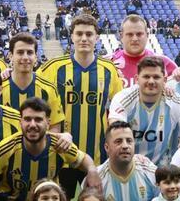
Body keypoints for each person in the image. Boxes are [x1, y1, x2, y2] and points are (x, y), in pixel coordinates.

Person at [37, 14, 124, 185]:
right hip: (61, 152)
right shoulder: (53, 67)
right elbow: (31, 86)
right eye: (79, 34)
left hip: (97, 154)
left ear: (97, 38)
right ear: (72, 37)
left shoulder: (108, 70)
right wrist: (9, 72)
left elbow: (119, 106)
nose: (84, 38)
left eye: (89, 34)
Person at [108, 56, 180, 166]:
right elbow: (115, 129)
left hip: (159, 173)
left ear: (164, 80)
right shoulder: (123, 97)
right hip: (126, 165)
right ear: (137, 79)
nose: (151, 81)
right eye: (146, 76)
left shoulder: (173, 100)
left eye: (156, 77)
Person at [0, 33, 65, 131]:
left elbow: (54, 126)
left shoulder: (48, 89)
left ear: (35, 57)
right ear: (10, 56)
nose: (25, 57)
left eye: (29, 52)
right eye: (20, 52)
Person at [109, 14, 178, 88]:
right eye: (130, 34)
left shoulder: (165, 63)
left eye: (139, 34)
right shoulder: (109, 62)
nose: (135, 39)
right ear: (121, 36)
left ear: (147, 35)